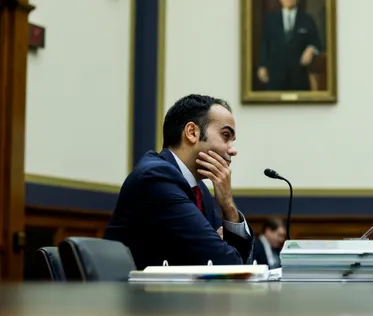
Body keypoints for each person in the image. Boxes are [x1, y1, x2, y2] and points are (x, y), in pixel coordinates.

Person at [104, 94, 254, 269]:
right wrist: (222, 244)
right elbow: (226, 262)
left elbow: (241, 263)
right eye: (225, 135)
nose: (233, 150)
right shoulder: (156, 178)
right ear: (192, 132)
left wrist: (228, 206)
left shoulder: (200, 190)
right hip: (134, 295)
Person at [257, 0, 322, 91]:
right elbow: (264, 44)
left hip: (298, 77)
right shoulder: (270, 20)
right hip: (275, 77)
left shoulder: (307, 19)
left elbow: (317, 42)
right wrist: (262, 66)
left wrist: (311, 49)